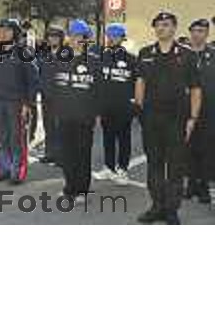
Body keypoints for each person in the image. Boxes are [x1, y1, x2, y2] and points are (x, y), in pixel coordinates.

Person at [135, 11, 202, 225]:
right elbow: (140, 82)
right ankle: (157, 206)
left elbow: (195, 89)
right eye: (158, 25)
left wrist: (192, 118)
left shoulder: (187, 55)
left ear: (174, 28)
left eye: (166, 24)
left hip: (177, 120)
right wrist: (140, 109)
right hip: (151, 119)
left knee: (175, 167)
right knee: (154, 164)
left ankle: (171, 210)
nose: (162, 28)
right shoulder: (145, 53)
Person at [49, 19, 102, 203]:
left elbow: (99, 90)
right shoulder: (60, 57)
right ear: (68, 37)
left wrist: (95, 114)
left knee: (82, 154)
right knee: (67, 153)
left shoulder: (94, 61)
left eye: (80, 36)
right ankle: (69, 187)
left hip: (84, 116)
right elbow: (53, 85)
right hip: (64, 115)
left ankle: (82, 190)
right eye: (73, 35)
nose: (76, 39)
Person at [0, 18, 39, 184]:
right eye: (0, 29)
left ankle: (18, 170)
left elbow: (33, 79)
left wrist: (28, 103)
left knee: (17, 138)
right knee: (3, 136)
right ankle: (4, 168)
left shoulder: (23, 52)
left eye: (7, 30)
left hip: (17, 101)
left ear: (14, 32)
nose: (2, 32)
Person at [95, 23, 136, 184]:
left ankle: (123, 170)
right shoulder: (101, 57)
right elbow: (97, 82)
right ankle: (108, 167)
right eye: (109, 36)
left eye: (115, 36)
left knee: (124, 139)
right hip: (106, 106)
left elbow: (137, 83)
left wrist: (134, 105)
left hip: (124, 107)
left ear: (122, 38)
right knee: (108, 138)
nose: (111, 39)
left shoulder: (131, 59)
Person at [185, 18, 212, 203]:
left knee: (207, 149)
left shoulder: (213, 55)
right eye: (194, 30)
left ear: (207, 33)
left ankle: (203, 187)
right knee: (188, 149)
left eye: (201, 30)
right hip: (185, 110)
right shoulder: (181, 55)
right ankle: (191, 184)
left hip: (210, 111)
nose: (197, 34)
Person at [37, 25, 65, 166]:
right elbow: (39, 72)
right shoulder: (44, 54)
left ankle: (61, 155)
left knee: (59, 126)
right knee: (48, 125)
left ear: (61, 38)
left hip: (60, 97)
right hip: (46, 95)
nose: (53, 39)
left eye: (56, 36)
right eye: (51, 36)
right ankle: (50, 153)